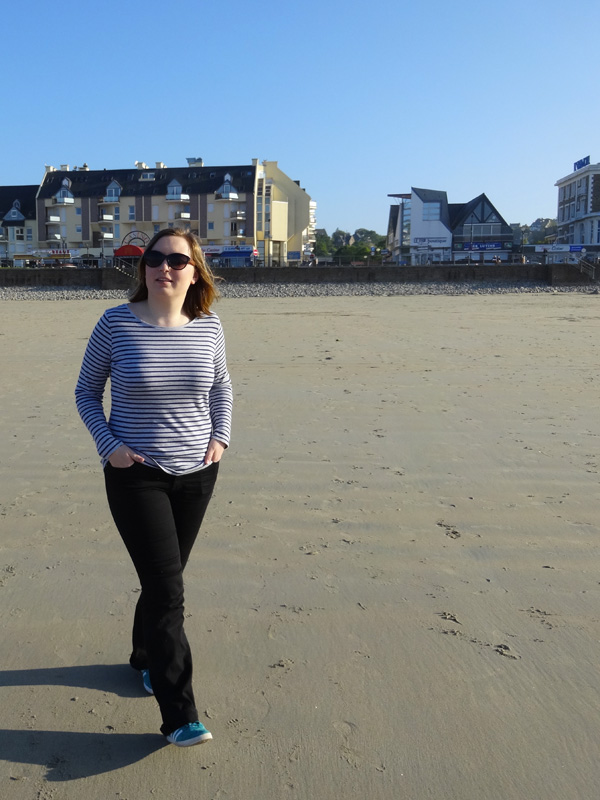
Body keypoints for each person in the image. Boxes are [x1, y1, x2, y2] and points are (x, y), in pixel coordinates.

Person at [75, 228, 232, 747]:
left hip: (197, 475)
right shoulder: (116, 323)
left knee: (163, 579)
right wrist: (109, 447)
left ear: (195, 270)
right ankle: (180, 714)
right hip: (135, 473)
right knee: (169, 591)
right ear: (143, 269)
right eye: (155, 259)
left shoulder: (208, 327)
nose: (165, 267)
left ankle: (145, 657)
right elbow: (85, 392)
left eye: (178, 260)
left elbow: (221, 386)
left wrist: (221, 436)